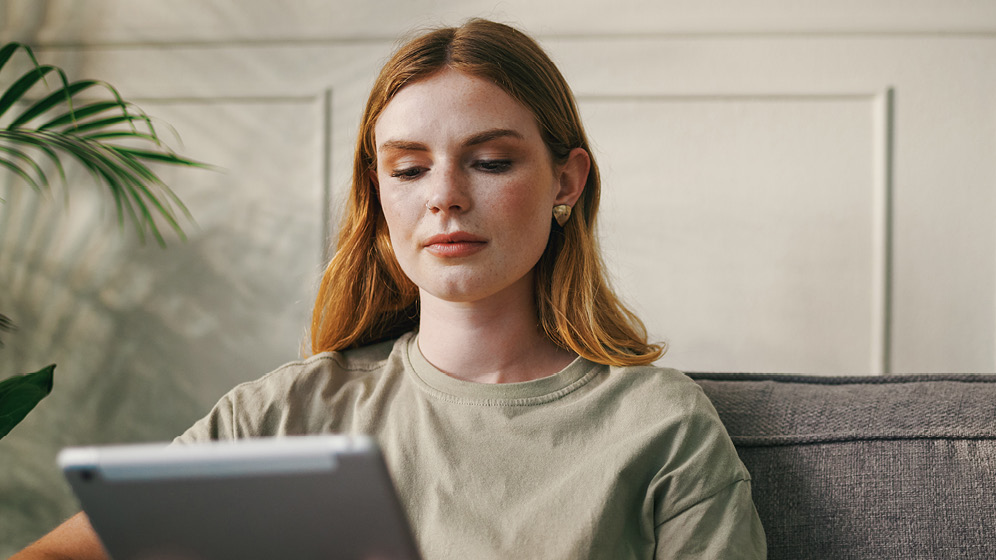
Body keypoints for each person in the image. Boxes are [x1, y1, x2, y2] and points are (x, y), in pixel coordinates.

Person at [15, 18, 766, 559]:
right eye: (408, 170)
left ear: (566, 181)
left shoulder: (659, 426)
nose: (444, 197)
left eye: (491, 162)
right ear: (378, 195)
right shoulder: (282, 415)